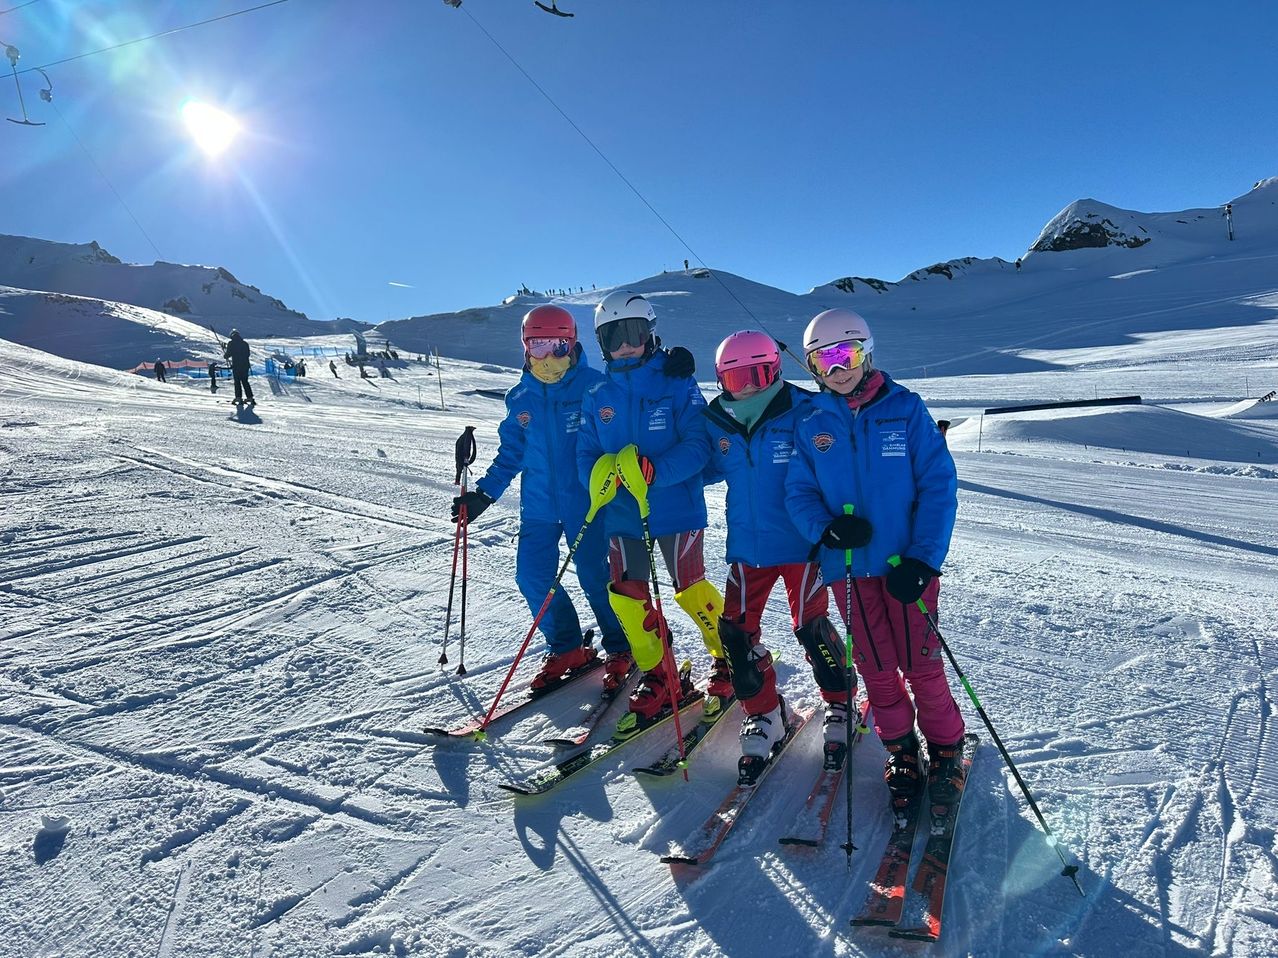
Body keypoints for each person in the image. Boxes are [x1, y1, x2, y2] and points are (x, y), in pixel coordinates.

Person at [786, 307, 965, 820]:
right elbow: (798, 491)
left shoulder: (905, 409)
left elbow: (938, 487)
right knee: (877, 668)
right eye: (824, 360)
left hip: (905, 569)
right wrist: (825, 528)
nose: (838, 369)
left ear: (866, 352)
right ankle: (901, 750)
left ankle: (947, 749)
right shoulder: (813, 422)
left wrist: (925, 559)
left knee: (922, 665)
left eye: (847, 354)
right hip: (849, 570)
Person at [702, 330, 857, 779]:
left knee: (813, 631)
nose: (747, 386)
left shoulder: (805, 409)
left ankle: (840, 704)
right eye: (734, 378)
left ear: (774, 370)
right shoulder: (717, 422)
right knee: (734, 636)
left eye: (757, 374)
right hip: (749, 549)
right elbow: (698, 464)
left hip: (802, 546)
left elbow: (844, 449)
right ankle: (765, 711)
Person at [451, 306, 629, 690]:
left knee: (597, 577)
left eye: (558, 345)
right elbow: (511, 454)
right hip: (539, 508)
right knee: (531, 576)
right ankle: (567, 646)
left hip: (589, 504)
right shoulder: (521, 396)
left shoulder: (594, 387)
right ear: (526, 346)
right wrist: (483, 494)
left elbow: (622, 430)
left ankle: (622, 646)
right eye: (538, 345)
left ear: (573, 344)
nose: (548, 356)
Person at [576, 290, 727, 740]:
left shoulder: (677, 382)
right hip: (623, 514)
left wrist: (656, 471)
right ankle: (661, 673)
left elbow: (698, 445)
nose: (625, 345)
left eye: (634, 333)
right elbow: (586, 450)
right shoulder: (597, 393)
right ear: (602, 343)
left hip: (676, 508)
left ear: (650, 334)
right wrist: (602, 477)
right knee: (627, 593)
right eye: (613, 336)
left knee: (690, 588)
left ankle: (730, 657)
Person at [223, 329, 255, 405]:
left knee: (237, 382)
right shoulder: (245, 344)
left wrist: (226, 355)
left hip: (237, 365)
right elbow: (248, 354)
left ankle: (238, 397)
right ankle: (250, 397)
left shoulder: (231, 343)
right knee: (245, 381)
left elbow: (228, 354)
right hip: (245, 365)